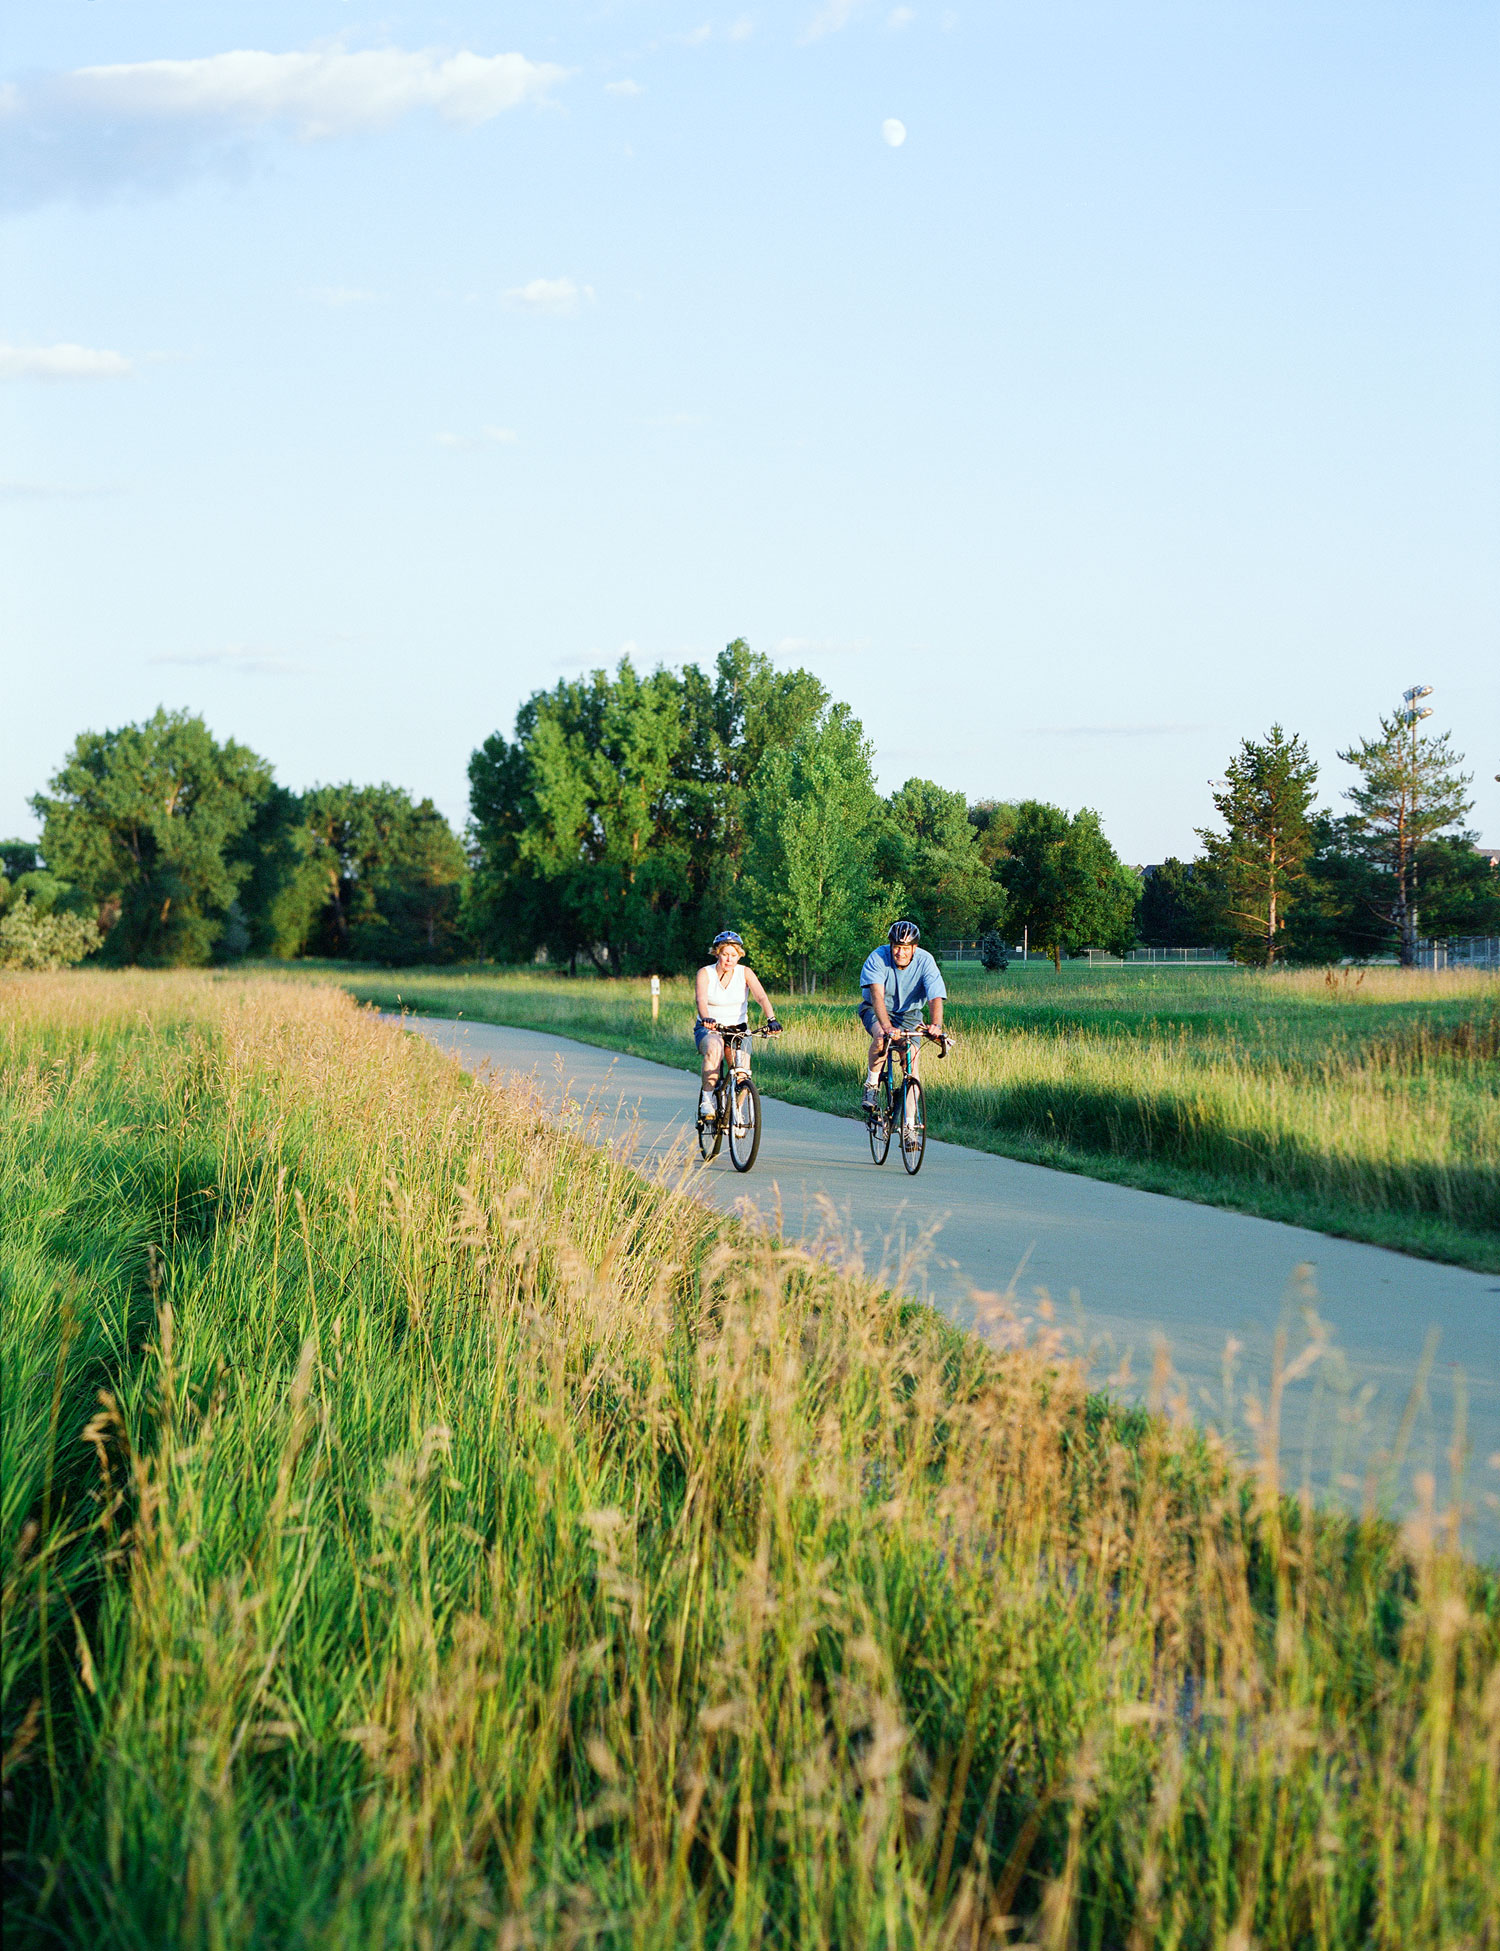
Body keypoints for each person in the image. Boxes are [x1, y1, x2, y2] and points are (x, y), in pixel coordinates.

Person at [858, 920, 949, 1109]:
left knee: (911, 1064)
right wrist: (887, 1027)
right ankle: (872, 1085)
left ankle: (910, 1123)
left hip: (909, 1014)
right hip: (876, 1009)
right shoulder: (878, 957)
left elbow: (935, 997)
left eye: (906, 948)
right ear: (891, 945)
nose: (901, 952)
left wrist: (936, 1025)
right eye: (897, 947)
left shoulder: (925, 961)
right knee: (882, 1038)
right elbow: (877, 996)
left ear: (914, 948)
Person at [695, 931, 781, 1121]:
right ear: (717, 953)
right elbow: (701, 999)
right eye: (725, 954)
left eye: (733, 955)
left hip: (738, 1029)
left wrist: (772, 1019)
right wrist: (706, 1018)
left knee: (742, 1073)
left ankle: (737, 1112)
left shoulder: (745, 972)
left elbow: (761, 996)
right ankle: (707, 1101)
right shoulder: (705, 973)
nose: (729, 959)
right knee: (714, 1049)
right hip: (711, 1028)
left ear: (739, 955)